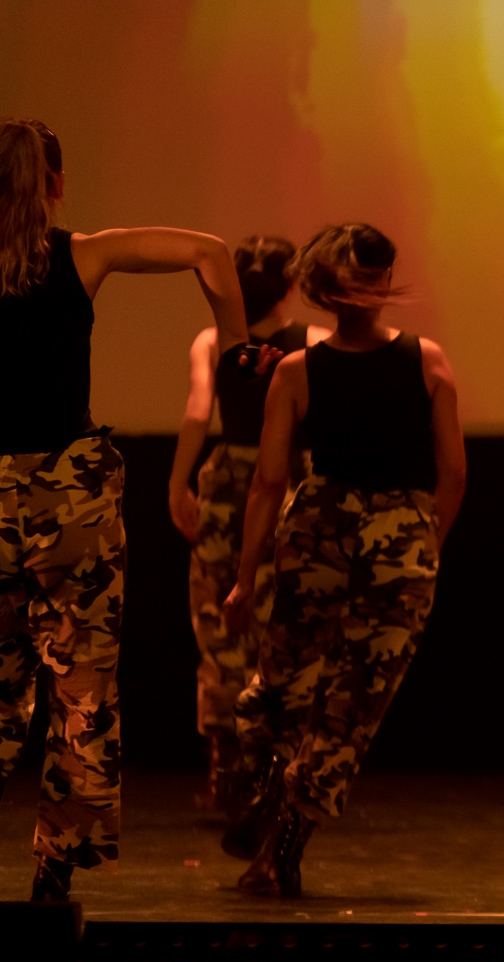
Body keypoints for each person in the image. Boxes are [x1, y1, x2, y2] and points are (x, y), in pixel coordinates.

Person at [0, 117, 249, 901]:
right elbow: (211, 251)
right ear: (56, 184)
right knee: (81, 684)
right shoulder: (83, 253)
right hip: (67, 494)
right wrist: (238, 351)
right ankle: (56, 866)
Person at [222, 223, 466, 899]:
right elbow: (452, 474)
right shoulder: (426, 361)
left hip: (321, 531)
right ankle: (282, 838)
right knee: (345, 706)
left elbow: (269, 481)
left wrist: (244, 578)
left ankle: (271, 810)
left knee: (286, 688)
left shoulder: (298, 371)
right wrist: (422, 547)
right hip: (394, 537)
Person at [168, 235, 330, 813]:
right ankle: (277, 766)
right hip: (290, 479)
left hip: (230, 483)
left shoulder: (215, 340)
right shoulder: (314, 342)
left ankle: (231, 768)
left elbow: (196, 413)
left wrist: (176, 484)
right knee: (286, 620)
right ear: (291, 284)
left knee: (220, 622)